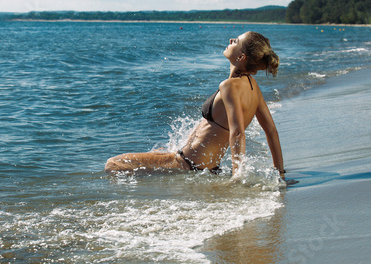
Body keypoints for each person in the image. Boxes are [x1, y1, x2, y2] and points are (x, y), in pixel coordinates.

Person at [104, 31, 285, 178]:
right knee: (158, 151)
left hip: (186, 164)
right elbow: (271, 131)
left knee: (113, 164)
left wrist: (237, 177)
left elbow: (238, 133)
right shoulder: (252, 88)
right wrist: (280, 173)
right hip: (204, 166)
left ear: (241, 57)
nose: (231, 39)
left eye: (236, 41)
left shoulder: (229, 86)